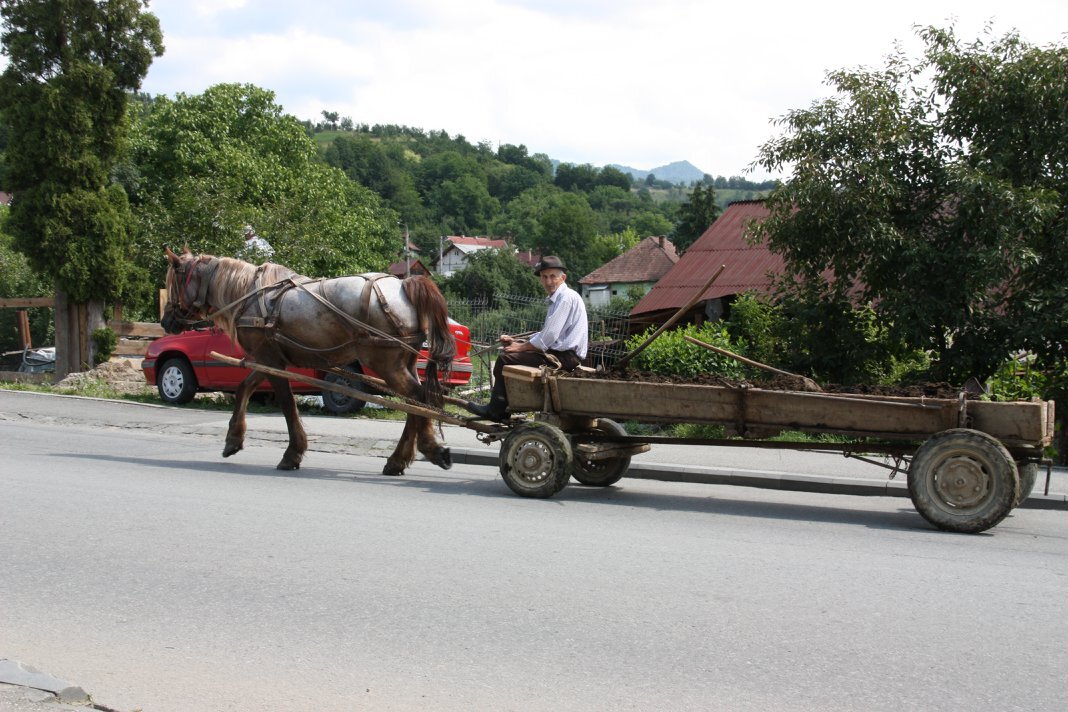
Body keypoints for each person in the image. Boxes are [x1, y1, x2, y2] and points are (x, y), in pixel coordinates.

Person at [465, 255, 588, 421]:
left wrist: (520, 347)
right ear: (540, 279)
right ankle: (503, 406)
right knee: (510, 353)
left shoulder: (565, 298)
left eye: (553, 276)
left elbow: (549, 337)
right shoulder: (561, 298)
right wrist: (518, 342)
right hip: (563, 354)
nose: (548, 281)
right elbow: (548, 334)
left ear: (562, 278)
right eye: (544, 277)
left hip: (564, 357)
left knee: (504, 358)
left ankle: (496, 410)